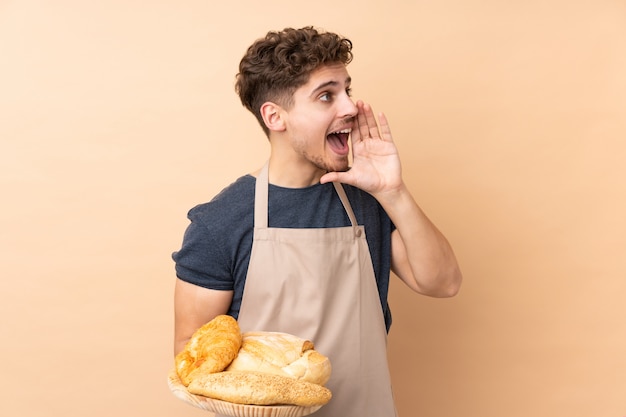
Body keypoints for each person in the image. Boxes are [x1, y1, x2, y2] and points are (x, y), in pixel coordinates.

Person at [172, 26, 462, 417]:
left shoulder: (367, 202)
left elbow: (443, 283)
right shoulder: (220, 222)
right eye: (327, 95)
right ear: (275, 117)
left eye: (347, 90)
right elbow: (192, 355)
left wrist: (393, 191)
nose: (349, 108)